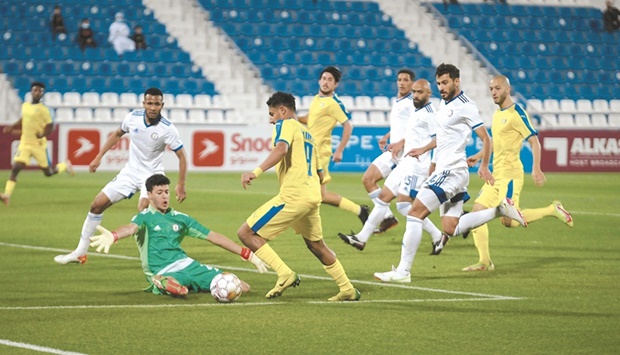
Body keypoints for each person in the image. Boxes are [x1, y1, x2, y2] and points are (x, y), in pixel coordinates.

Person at [373, 63, 527, 283]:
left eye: (445, 82)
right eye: (438, 83)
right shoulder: (444, 105)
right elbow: (443, 136)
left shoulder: (466, 106)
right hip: (449, 172)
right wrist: (425, 148)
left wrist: (484, 165)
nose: (441, 87)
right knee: (450, 227)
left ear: (457, 81)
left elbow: (486, 138)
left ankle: (403, 272)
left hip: (451, 172)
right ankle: (500, 210)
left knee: (415, 212)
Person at [237, 91, 360, 302]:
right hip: (312, 195)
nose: (270, 119)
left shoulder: (285, 125)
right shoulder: (308, 134)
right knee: (316, 245)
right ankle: (347, 288)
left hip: (294, 195)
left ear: (283, 110)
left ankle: (284, 274)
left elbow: (281, 149)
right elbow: (321, 172)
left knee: (246, 233)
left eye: (272, 114)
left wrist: (255, 172)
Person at [54, 87, 187, 265]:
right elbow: (117, 134)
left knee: (144, 211)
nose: (153, 107)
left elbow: (182, 156)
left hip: (152, 175)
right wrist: (98, 156)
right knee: (96, 205)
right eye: (150, 103)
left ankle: (159, 258)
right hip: (130, 171)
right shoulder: (132, 118)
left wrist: (181, 184)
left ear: (162, 105)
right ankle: (80, 252)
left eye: (157, 104)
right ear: (144, 103)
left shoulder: (168, 128)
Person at [459, 75, 573, 271]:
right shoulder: (497, 114)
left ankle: (552, 210)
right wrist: (479, 156)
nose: (493, 92)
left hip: (511, 176)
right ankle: (484, 262)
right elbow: (495, 142)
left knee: (509, 222)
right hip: (496, 174)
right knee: (477, 212)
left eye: (497, 88)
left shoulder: (517, 113)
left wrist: (536, 167)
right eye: (491, 89)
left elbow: (534, 141)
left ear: (507, 90)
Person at [89, 174, 268, 296]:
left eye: (166, 192)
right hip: (162, 270)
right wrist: (113, 235)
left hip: (188, 265)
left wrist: (247, 253)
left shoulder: (181, 219)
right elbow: (129, 228)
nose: (165, 197)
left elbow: (213, 237)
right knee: (177, 286)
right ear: (149, 195)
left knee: (242, 287)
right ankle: (161, 282)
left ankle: (181, 284)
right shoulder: (145, 218)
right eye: (159, 193)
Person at [339, 79, 443, 251]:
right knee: (383, 199)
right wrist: (400, 143)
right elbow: (412, 134)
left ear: (429, 93)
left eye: (420, 92)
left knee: (404, 206)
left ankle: (437, 235)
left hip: (417, 167)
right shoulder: (417, 111)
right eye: (415, 91)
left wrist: (427, 155)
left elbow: (439, 139)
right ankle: (361, 238)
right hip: (405, 163)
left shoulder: (430, 114)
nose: (416, 95)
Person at [298, 66, 369, 226]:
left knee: (305, 191)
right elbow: (310, 118)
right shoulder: (317, 99)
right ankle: (360, 211)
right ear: (319, 80)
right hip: (310, 152)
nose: (325, 82)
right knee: (321, 195)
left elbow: (348, 126)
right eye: (324, 78)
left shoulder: (334, 103)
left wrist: (340, 150)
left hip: (320, 155)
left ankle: (305, 225)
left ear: (335, 84)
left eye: (330, 80)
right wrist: (294, 118)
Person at [0, 82, 74, 207]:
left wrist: (42, 134)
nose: (37, 93)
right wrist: (12, 127)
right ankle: (6, 195)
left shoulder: (44, 109)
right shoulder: (25, 106)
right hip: (25, 143)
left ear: (42, 93)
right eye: (35, 90)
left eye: (40, 91)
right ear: (31, 91)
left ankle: (64, 166)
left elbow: (51, 126)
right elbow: (24, 119)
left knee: (48, 172)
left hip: (38, 145)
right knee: (15, 169)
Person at [360, 69, 414, 234]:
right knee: (368, 179)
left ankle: (451, 218)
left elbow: (416, 129)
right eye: (399, 80)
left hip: (408, 155)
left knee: (410, 201)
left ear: (412, 83)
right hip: (393, 152)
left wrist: (402, 142)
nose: (402, 83)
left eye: (406, 80)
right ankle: (388, 218)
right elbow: (400, 126)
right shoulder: (398, 100)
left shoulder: (412, 103)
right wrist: (387, 136)